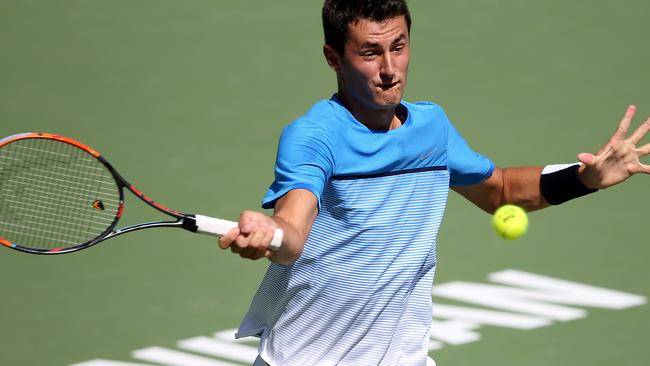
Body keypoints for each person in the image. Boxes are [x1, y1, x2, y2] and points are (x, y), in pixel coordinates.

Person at [218, 1, 650, 365]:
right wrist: (270, 235)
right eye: (370, 53)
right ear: (333, 58)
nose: (390, 69)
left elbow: (499, 190)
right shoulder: (314, 137)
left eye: (399, 47)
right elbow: (293, 232)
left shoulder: (431, 128)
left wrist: (584, 179)